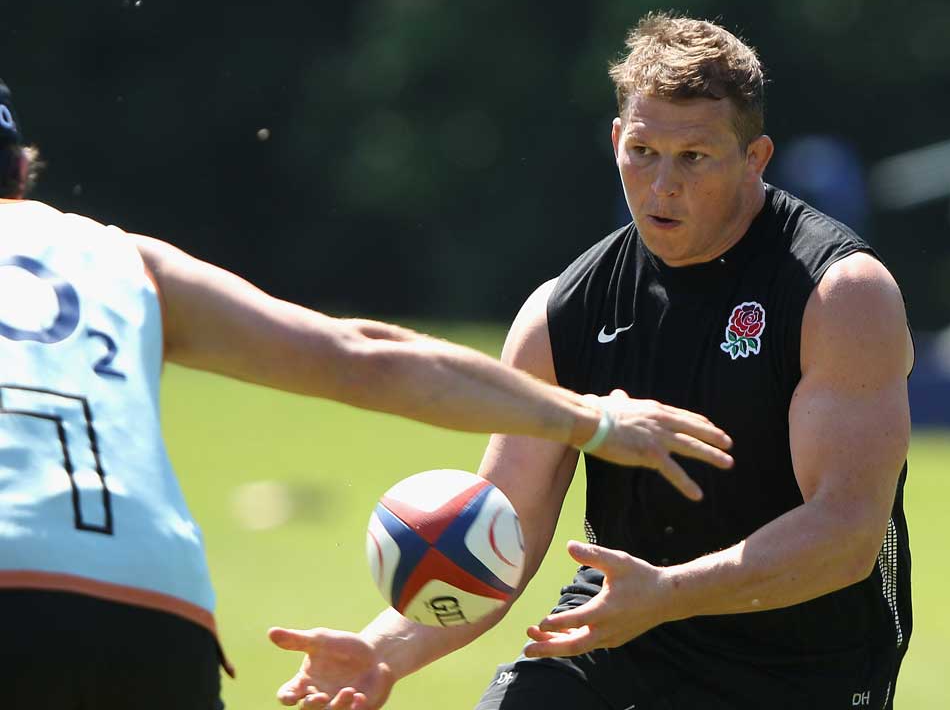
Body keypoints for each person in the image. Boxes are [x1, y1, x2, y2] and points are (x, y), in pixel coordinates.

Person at [0, 78, 735, 709]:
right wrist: (593, 418)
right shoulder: (119, 257)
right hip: (150, 606)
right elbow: (360, 355)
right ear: (23, 169)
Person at [272, 13, 914, 710]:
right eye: (643, 150)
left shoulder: (838, 294)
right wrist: (382, 652)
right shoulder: (562, 313)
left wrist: (668, 594)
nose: (662, 185)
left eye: (693, 157)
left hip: (800, 666)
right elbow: (501, 535)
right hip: (615, 632)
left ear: (754, 159)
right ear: (616, 141)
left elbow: (847, 532)